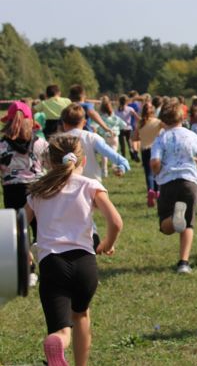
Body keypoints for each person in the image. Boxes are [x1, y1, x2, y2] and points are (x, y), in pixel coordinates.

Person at [24, 134, 123, 366]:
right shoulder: (90, 186)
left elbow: (17, 226)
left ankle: (58, 341)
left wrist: (25, 251)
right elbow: (116, 222)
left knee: (61, 330)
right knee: (81, 314)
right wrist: (107, 244)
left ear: (48, 162)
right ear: (83, 161)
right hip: (85, 264)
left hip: (52, 264)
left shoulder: (38, 191)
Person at [150, 99, 197, 274]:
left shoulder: (161, 138)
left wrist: (157, 172)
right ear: (182, 117)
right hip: (189, 182)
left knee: (165, 226)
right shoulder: (190, 135)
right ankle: (183, 263)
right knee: (188, 224)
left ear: (162, 119)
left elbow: (155, 162)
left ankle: (173, 219)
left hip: (168, 183)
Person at [0, 100, 48, 287]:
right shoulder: (40, 143)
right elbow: (50, 164)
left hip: (13, 192)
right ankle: (47, 265)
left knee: (19, 234)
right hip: (38, 189)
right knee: (42, 229)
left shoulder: (2, 146)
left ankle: (28, 272)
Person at [60, 104, 131, 183]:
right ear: (84, 122)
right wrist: (122, 167)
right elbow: (119, 159)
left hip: (66, 184)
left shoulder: (56, 140)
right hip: (91, 183)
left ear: (63, 123)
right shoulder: (92, 138)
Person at [132, 102, 162, 208]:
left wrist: (143, 137)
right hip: (156, 149)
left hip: (145, 149)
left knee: (148, 173)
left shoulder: (140, 123)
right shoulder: (158, 122)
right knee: (157, 172)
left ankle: (150, 190)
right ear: (153, 110)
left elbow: (134, 138)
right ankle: (157, 191)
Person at [96, 96, 128, 177]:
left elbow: (96, 126)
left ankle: (104, 171)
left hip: (105, 136)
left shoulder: (101, 117)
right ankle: (115, 167)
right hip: (114, 136)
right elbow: (124, 125)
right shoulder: (115, 117)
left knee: (104, 154)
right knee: (114, 153)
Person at [116, 95, 140, 162]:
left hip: (120, 128)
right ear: (127, 101)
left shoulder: (117, 110)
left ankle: (123, 157)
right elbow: (137, 117)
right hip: (128, 128)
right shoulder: (130, 109)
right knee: (129, 142)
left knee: (122, 144)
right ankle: (132, 154)